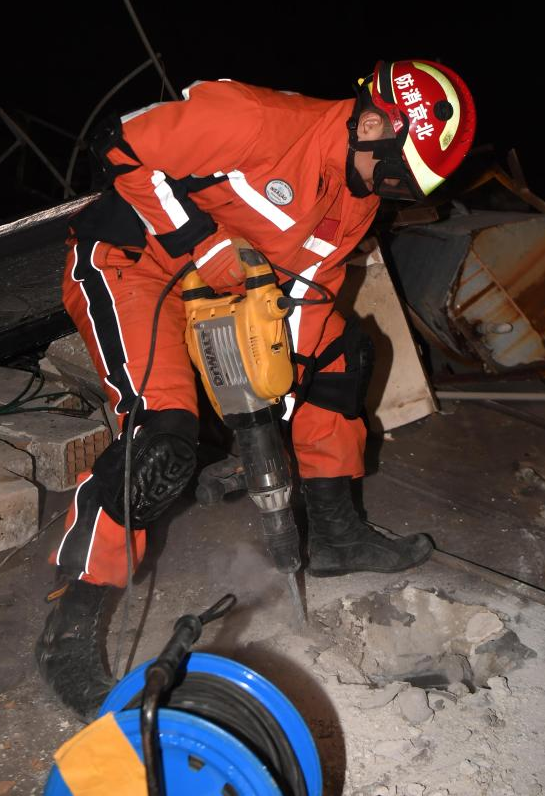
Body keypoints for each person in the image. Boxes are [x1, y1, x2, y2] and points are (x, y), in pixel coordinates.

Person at [36, 59, 476, 718]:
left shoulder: (357, 203)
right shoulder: (256, 121)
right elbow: (118, 145)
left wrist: (267, 410)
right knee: (163, 441)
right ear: (378, 124)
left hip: (234, 291)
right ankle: (69, 625)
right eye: (396, 175)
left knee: (341, 351)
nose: (392, 192)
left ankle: (333, 533)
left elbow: (302, 301)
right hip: (132, 261)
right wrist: (201, 242)